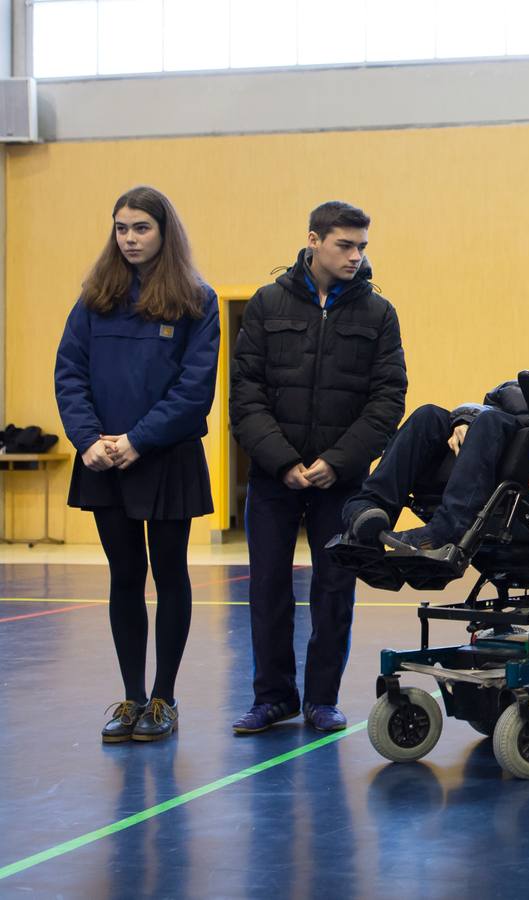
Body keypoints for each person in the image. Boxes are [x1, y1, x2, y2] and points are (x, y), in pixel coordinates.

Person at [230, 201, 407, 735]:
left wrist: (337, 461)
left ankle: (321, 699)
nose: (356, 256)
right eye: (344, 245)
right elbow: (245, 393)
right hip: (273, 478)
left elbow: (387, 399)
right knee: (267, 589)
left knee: (334, 591)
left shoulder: (379, 314)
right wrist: (282, 461)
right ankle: (273, 697)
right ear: (313, 240)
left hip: (341, 481)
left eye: (362, 247)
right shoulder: (265, 304)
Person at [55, 185, 220, 744]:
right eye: (121, 228)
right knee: (124, 576)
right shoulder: (94, 298)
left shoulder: (198, 298)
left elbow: (195, 390)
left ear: (163, 231)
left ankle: (164, 699)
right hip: (103, 459)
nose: (129, 238)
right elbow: (69, 373)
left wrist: (138, 440)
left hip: (165, 458)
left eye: (141, 228)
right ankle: (130, 698)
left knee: (170, 574)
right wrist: (87, 440)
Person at [340, 306, 529, 552]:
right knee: (430, 417)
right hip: (501, 459)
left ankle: (446, 531)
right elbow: (489, 404)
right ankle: (366, 512)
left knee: (489, 420)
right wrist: (464, 420)